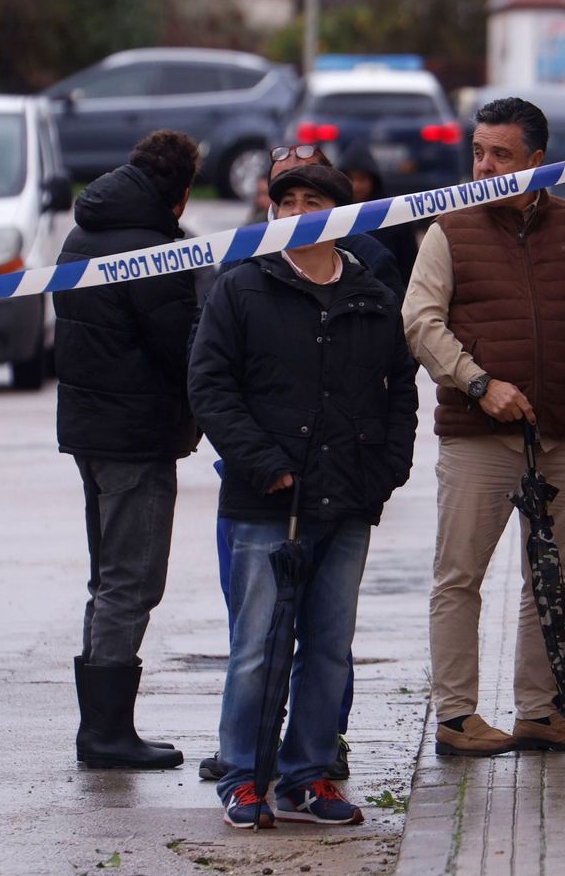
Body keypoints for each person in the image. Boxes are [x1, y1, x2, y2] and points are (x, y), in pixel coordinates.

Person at [190, 161, 418, 829]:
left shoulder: (372, 295)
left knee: (328, 645)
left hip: (348, 501)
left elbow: (400, 390)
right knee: (258, 642)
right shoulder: (240, 289)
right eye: (282, 201)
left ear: (339, 214)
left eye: (309, 201)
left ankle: (307, 775)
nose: (291, 211)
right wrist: (263, 463)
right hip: (266, 501)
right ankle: (243, 775)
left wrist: (387, 470)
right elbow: (209, 387)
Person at [403, 96, 565, 757]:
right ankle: (456, 716)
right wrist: (478, 383)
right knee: (459, 574)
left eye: (499, 154)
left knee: (550, 580)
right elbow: (421, 322)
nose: (483, 166)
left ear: (536, 161)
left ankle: (540, 709)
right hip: (479, 437)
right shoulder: (450, 228)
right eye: (477, 151)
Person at [55, 129, 201, 771]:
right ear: (182, 194)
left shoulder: (85, 231)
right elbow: (184, 349)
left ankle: (104, 728)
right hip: (135, 439)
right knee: (132, 581)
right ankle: (106, 734)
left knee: (107, 578)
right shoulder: (155, 250)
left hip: (90, 432)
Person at [337, 143, 419, 285]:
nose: (356, 186)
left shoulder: (395, 217)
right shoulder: (330, 218)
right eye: (350, 178)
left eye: (362, 179)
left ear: (374, 181)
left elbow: (410, 268)